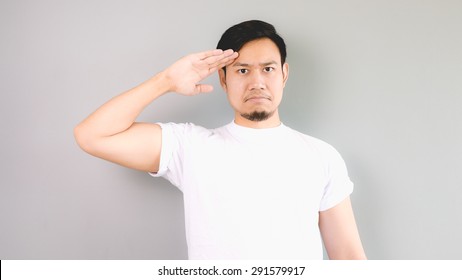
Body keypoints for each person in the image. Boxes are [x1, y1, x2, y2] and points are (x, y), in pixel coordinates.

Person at [74, 20, 366, 260]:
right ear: (224, 80)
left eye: (268, 69)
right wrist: (165, 82)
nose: (257, 82)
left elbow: (349, 256)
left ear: (284, 74)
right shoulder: (191, 147)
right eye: (242, 70)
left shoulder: (321, 156)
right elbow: (92, 136)